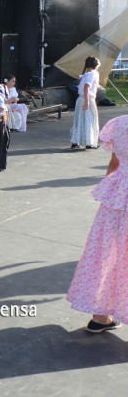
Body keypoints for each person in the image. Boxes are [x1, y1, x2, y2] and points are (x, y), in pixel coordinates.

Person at [66, 115, 128, 333]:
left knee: (105, 252)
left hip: (118, 193)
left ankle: (100, 317)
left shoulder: (120, 124)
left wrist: (112, 190)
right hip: (118, 192)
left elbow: (114, 163)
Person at [70, 56, 101, 149]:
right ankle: (89, 142)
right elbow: (86, 87)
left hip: (80, 99)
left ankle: (76, 141)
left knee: (79, 120)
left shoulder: (86, 74)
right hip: (87, 98)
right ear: (95, 64)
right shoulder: (93, 74)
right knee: (89, 120)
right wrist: (87, 101)